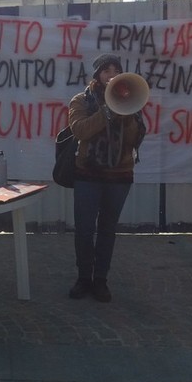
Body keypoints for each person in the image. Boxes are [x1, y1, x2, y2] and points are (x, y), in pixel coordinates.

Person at [67, 54, 145, 303]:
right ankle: (83, 278)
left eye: (116, 70)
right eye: (106, 70)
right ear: (97, 74)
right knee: (85, 229)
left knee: (107, 230)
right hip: (88, 174)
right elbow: (79, 130)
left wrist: (126, 111)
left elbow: (134, 140)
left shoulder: (130, 99)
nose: (111, 74)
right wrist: (107, 111)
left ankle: (100, 280)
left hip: (119, 175)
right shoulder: (81, 101)